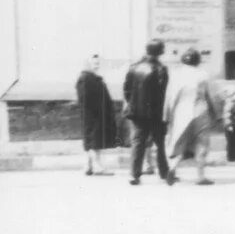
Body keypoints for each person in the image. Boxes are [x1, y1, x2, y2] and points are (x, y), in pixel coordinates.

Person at [163, 48, 222, 186]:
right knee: (202, 143)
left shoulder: (175, 75)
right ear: (198, 61)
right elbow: (211, 97)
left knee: (179, 142)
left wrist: (166, 117)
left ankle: (172, 168)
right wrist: (217, 115)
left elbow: (169, 98)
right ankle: (200, 176)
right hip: (200, 112)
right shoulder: (203, 74)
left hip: (181, 113)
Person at [123, 39, 171, 186]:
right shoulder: (161, 69)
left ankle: (134, 175)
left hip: (137, 112)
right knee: (160, 144)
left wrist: (134, 104)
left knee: (138, 143)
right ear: (160, 52)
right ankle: (164, 174)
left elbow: (127, 90)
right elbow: (163, 92)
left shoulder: (134, 67)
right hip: (156, 113)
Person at [76, 54, 120, 176]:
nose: (97, 66)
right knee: (95, 142)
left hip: (96, 115)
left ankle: (88, 166)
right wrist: (96, 110)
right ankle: (98, 167)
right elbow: (85, 98)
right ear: (88, 64)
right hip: (93, 116)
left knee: (93, 140)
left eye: (98, 63)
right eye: (94, 63)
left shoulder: (92, 77)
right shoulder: (86, 78)